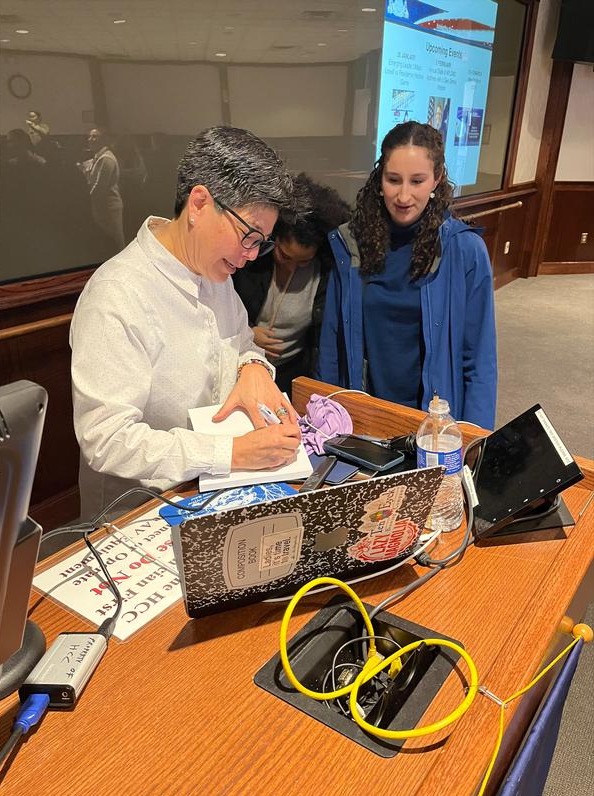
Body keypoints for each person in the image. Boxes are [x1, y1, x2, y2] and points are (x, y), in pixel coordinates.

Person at [70, 126, 301, 520]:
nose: (250, 256)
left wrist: (253, 367)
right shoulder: (117, 294)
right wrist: (231, 453)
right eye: (249, 235)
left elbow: (242, 341)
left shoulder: (215, 275)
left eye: (260, 243)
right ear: (198, 204)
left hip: (214, 497)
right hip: (137, 514)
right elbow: (106, 439)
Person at [317, 121, 497, 429]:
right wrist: (326, 416)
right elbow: (331, 343)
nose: (403, 196)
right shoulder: (350, 245)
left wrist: (474, 437)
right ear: (379, 179)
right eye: (393, 180)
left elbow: (479, 360)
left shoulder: (465, 250)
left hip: (433, 423)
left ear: (436, 180)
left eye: (417, 181)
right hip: (364, 414)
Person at [232, 174, 350, 395]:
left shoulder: (325, 275)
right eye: (285, 256)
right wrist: (247, 334)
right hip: (239, 370)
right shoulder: (247, 264)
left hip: (292, 375)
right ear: (273, 238)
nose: (292, 267)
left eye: (303, 261)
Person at [78, 127, 125, 252]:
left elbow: (100, 186)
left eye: (94, 137)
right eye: (89, 136)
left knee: (114, 241)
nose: (90, 139)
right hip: (101, 205)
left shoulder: (106, 159)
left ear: (104, 140)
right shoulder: (98, 157)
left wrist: (86, 199)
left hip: (109, 206)